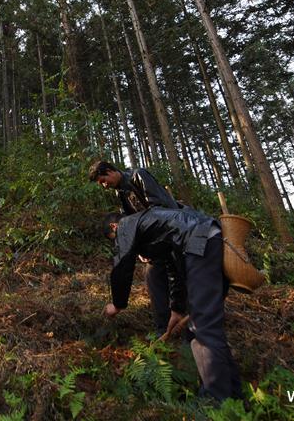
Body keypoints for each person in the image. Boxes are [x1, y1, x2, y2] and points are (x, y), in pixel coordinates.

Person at [100, 200, 242, 402]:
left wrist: (118, 304)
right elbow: (173, 268)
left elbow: (123, 263)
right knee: (204, 325)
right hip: (208, 241)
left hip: (200, 242)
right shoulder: (160, 228)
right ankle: (233, 396)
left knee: (202, 328)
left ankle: (215, 400)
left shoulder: (126, 224)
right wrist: (177, 308)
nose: (118, 242)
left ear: (114, 226)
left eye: (114, 239)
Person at [89, 160, 182, 336]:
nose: (103, 185)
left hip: (173, 234)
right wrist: (140, 249)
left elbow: (159, 209)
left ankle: (189, 330)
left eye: (103, 180)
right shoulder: (120, 194)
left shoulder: (139, 176)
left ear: (110, 171)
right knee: (153, 278)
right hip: (154, 244)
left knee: (181, 278)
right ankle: (163, 330)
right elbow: (132, 222)